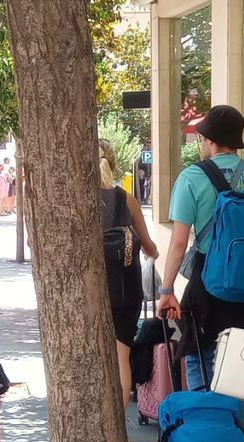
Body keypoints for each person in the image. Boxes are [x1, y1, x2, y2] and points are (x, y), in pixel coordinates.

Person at [155, 105, 244, 433]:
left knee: (198, 356)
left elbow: (179, 243)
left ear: (208, 140)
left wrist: (167, 290)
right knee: (241, 367)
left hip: (208, 283)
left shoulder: (193, 177)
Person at [100, 139, 159, 403]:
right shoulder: (128, 200)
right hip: (126, 290)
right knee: (121, 356)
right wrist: (152, 252)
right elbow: (149, 246)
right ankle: (120, 428)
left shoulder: (77, 201)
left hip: (93, 289)